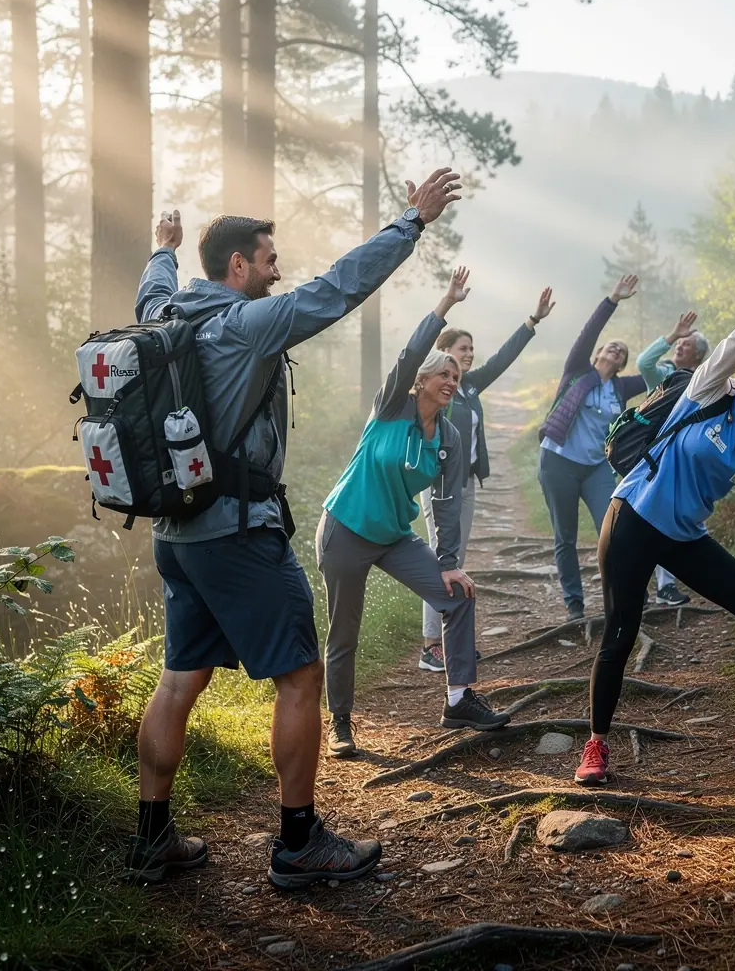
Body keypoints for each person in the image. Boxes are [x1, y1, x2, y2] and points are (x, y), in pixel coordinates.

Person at [126, 167, 462, 889]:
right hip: (237, 535)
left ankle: (151, 839)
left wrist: (164, 245)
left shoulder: (166, 313)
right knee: (301, 677)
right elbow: (335, 290)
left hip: (176, 535)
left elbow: (153, 282)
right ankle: (298, 842)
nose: (279, 274)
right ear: (238, 266)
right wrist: (412, 223)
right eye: (269, 261)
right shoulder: (244, 325)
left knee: (179, 679)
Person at [574, 246, 735, 786]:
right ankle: (596, 745)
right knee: (621, 632)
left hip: (682, 537)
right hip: (631, 519)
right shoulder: (708, 390)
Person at [319, 267, 511, 758]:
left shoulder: (448, 437)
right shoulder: (389, 408)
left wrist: (449, 561)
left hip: (391, 536)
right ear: (421, 381)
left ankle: (458, 699)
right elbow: (407, 353)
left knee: (458, 594)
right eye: (443, 374)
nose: (452, 380)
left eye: (457, 376)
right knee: (345, 630)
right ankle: (340, 722)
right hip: (345, 528)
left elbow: (446, 506)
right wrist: (444, 304)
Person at [417, 278, 557, 672]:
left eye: (472, 349)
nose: (471, 355)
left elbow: (503, 359)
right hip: (439, 485)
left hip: (465, 484)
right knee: (440, 561)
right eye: (463, 349)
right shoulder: (434, 389)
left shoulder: (469, 387)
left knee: (454, 559)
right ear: (443, 352)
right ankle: (432, 646)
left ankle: (448, 642)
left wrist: (532, 322)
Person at [537, 275, 648, 621]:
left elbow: (658, 374)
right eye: (610, 346)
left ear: (622, 363)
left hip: (597, 467)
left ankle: (628, 594)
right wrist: (612, 300)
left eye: (622, 351)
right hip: (558, 461)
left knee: (614, 529)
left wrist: (675, 343)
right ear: (600, 353)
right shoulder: (576, 371)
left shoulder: (620, 388)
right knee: (565, 536)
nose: (615, 349)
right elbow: (588, 333)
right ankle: (574, 604)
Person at [635, 310, 711, 608]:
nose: (681, 346)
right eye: (680, 343)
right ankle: (641, 585)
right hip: (651, 457)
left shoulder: (702, 382)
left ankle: (665, 586)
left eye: (687, 344)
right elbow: (643, 362)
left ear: (699, 355)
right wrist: (672, 335)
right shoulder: (662, 375)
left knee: (666, 520)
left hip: (681, 460)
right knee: (644, 518)